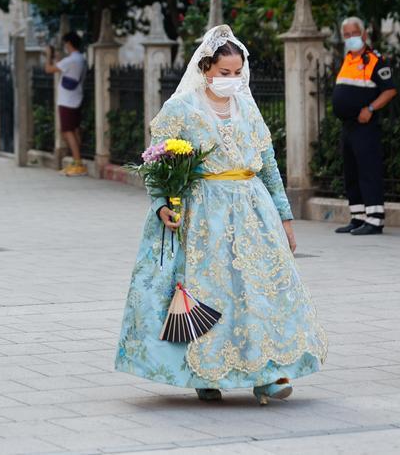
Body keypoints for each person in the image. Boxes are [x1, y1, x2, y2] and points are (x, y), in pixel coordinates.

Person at [115, 25, 327, 405]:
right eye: (224, 72)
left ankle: (268, 374)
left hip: (251, 209)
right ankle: (205, 372)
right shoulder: (181, 109)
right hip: (203, 213)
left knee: (259, 291)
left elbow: (268, 164)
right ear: (206, 67)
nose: (231, 80)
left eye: (236, 73)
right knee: (208, 292)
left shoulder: (246, 106)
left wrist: (285, 217)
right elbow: (157, 163)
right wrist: (162, 202)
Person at [331, 17, 397, 235]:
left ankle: (375, 219)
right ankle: (358, 217)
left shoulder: (375, 60)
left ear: (364, 35)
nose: (351, 38)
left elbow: (389, 90)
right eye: (347, 35)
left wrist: (370, 108)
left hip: (365, 127)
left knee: (368, 171)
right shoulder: (347, 59)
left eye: (354, 34)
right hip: (348, 126)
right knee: (351, 172)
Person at [43, 32, 88, 176]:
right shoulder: (80, 59)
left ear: (68, 43)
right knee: (73, 130)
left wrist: (48, 55)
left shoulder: (71, 60)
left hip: (67, 100)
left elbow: (48, 69)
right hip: (75, 98)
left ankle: (78, 162)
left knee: (67, 131)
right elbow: (63, 67)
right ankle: (76, 161)